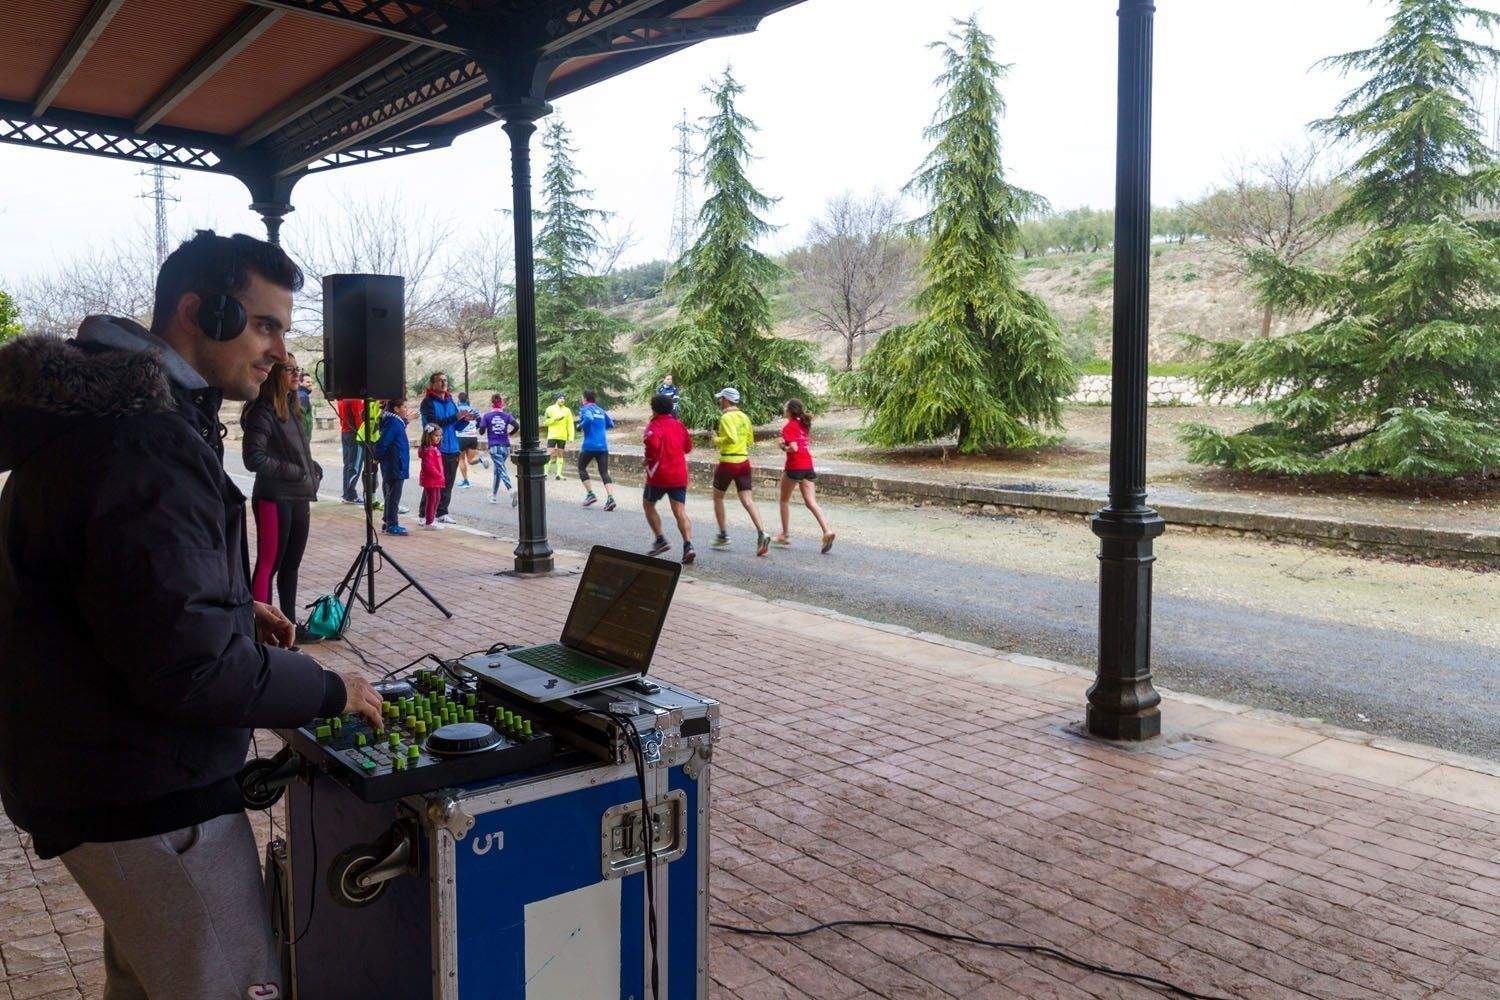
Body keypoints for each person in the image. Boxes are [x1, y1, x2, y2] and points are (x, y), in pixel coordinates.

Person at [0, 229, 383, 1000]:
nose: (278, 347)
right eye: (264, 324)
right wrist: (329, 688)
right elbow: (191, 666)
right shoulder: (142, 440)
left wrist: (238, 607)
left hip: (94, 772)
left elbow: (124, 592)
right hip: (143, 789)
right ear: (196, 311)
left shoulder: (122, 419)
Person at [242, 351, 324, 645]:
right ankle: (261, 628)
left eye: (297, 369)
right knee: (268, 564)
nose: (296, 374)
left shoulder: (294, 406)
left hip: (299, 496)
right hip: (273, 498)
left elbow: (296, 452)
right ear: (275, 373)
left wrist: (312, 469)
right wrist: (293, 471)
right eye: (289, 369)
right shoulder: (262, 411)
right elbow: (254, 458)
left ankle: (288, 625)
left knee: (291, 565)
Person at [710, 387, 770, 556]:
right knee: (747, 500)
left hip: (728, 461)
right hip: (744, 462)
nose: (719, 402)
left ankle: (722, 534)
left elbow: (731, 438)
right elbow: (750, 440)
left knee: (717, 497)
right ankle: (762, 533)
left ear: (726, 400)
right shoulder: (745, 417)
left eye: (721, 399)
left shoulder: (725, 417)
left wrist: (716, 439)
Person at [773, 398, 836, 553]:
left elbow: (793, 448)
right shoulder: (803, 424)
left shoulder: (788, 427)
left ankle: (785, 535)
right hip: (808, 465)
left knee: (783, 501)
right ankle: (827, 531)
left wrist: (782, 446)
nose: (783, 409)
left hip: (794, 467)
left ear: (789, 411)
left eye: (785, 407)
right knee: (811, 502)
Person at [642, 392, 694, 564]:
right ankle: (688, 545)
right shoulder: (679, 425)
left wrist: (647, 459)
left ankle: (660, 539)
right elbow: (687, 447)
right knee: (680, 511)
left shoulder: (653, 425)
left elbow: (652, 446)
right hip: (678, 474)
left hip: (658, 474)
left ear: (654, 409)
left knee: (648, 505)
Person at [418, 373, 460, 523]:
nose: (443, 383)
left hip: (453, 447)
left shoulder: (451, 401)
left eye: (445, 380)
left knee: (448, 482)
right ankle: (424, 514)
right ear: (432, 384)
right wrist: (456, 417)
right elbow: (433, 424)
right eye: (440, 381)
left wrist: (466, 419)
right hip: (436, 449)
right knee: (432, 484)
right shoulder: (427, 403)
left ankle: (442, 512)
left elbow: (457, 425)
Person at [374, 397, 412, 535]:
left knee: (390, 494)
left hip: (393, 463)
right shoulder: (393, 423)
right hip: (395, 464)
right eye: (404, 407)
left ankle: (387, 520)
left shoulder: (395, 422)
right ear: (396, 409)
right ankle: (392, 524)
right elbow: (383, 443)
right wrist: (376, 457)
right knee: (393, 496)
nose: (406, 410)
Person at [575, 390, 617, 511]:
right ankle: (610, 498)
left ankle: (590, 494)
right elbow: (611, 424)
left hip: (589, 445)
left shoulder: (585, 409)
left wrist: (580, 426)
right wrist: (599, 428)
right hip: (603, 446)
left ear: (585, 399)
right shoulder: (601, 410)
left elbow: (588, 418)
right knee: (604, 472)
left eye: (582, 398)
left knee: (581, 467)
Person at [480, 393, 520, 506]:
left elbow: (481, 431)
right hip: (506, 447)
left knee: (501, 469)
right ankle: (493, 495)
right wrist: (510, 434)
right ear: (501, 403)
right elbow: (517, 425)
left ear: (492, 403)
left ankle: (510, 489)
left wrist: (483, 426)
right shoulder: (507, 416)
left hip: (494, 446)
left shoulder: (487, 416)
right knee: (498, 470)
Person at [335, 395, 366, 502]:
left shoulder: (341, 398)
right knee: (355, 466)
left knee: (348, 464)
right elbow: (359, 419)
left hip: (345, 432)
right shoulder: (354, 398)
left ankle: (347, 493)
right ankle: (350, 494)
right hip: (355, 434)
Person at [354, 397, 383, 510]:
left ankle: (372, 499)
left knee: (372, 469)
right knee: (370, 469)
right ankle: (370, 500)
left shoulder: (373, 401)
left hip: (369, 438)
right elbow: (377, 419)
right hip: (367, 438)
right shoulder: (375, 402)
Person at [454, 390, 486, 489]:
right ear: (467, 400)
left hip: (461, 437)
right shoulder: (474, 410)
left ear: (459, 400)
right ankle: (480, 459)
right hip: (473, 437)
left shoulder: (457, 409)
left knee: (461, 459)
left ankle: (465, 481)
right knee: (471, 460)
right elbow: (480, 422)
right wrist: (474, 428)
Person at [417, 423, 446, 529]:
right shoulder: (429, 450)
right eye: (436, 435)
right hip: (431, 480)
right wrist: (438, 475)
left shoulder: (433, 448)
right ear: (429, 436)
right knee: (432, 499)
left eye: (440, 436)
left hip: (436, 480)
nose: (438, 438)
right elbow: (428, 466)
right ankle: (429, 522)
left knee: (436, 498)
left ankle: (431, 520)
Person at [543, 392, 574, 480]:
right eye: (560, 398)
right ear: (556, 399)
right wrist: (555, 419)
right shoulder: (550, 409)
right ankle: (545, 473)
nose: (562, 400)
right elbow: (545, 422)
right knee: (550, 454)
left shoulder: (567, 410)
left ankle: (559, 474)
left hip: (562, 436)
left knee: (560, 454)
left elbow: (570, 424)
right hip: (552, 435)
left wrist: (571, 436)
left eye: (564, 398)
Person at [296, 370, 314, 442]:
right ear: (300, 383)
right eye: (307, 382)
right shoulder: (303, 396)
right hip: (303, 438)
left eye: (311, 382)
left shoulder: (299, 394)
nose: (310, 384)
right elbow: (302, 419)